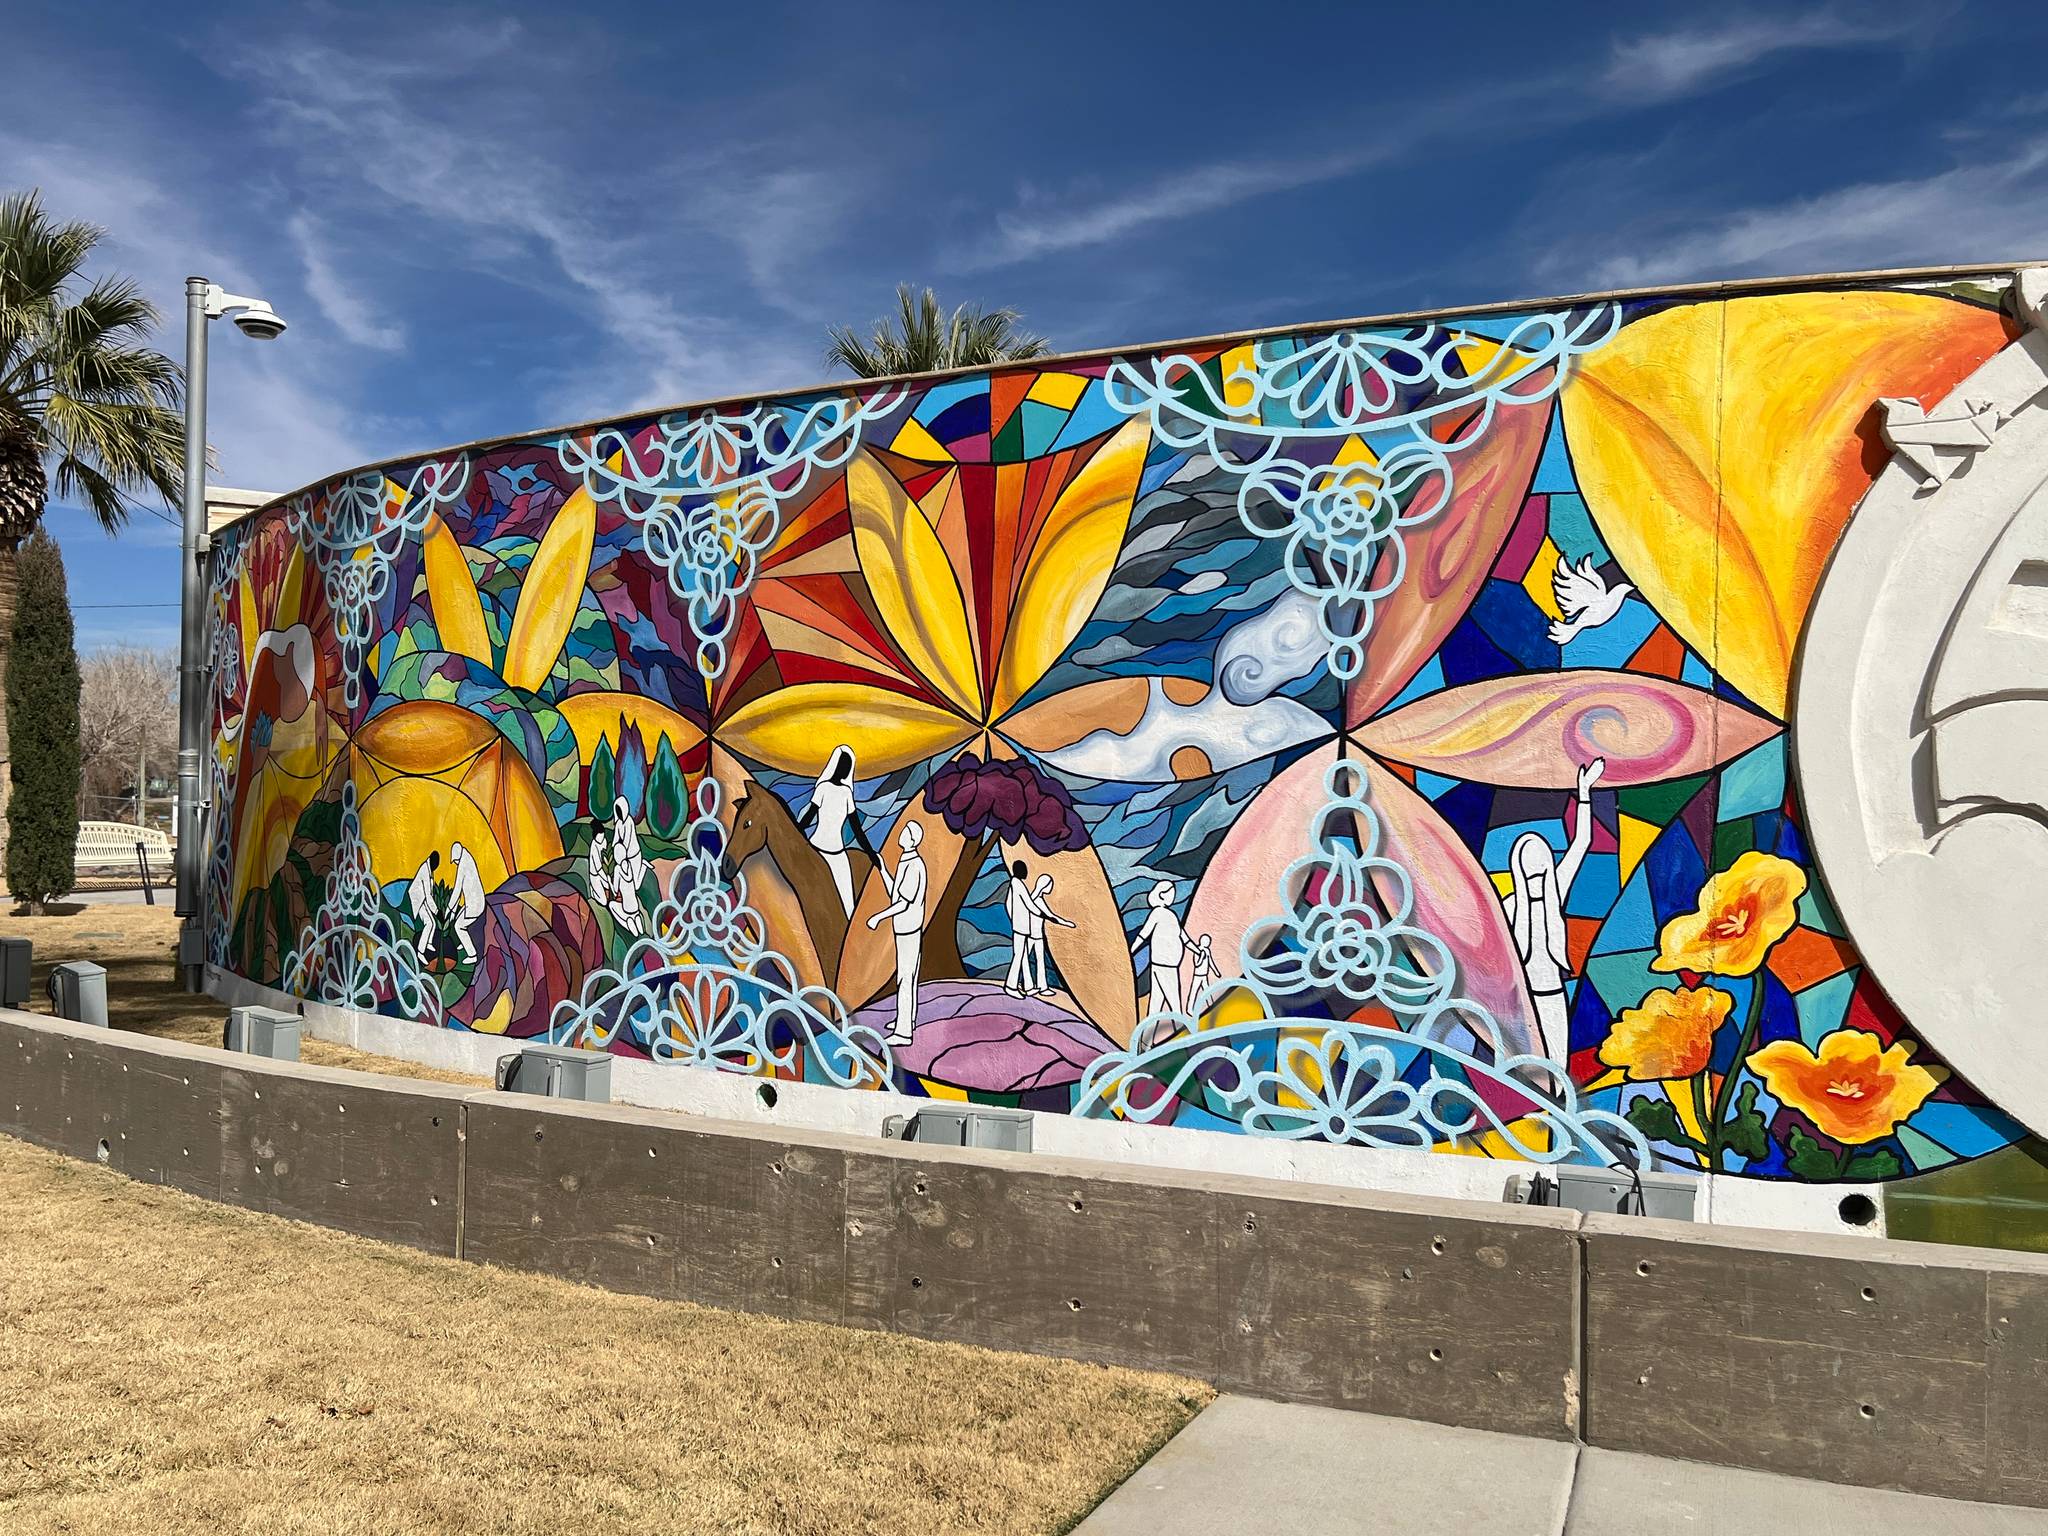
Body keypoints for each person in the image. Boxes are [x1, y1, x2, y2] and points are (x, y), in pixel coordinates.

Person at [1503, 756, 1604, 1067]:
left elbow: (1582, 842)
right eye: (1529, 873)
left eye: (1541, 872)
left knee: (1559, 1064)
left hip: (1552, 995)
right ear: (1518, 872)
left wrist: (1584, 792)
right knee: (1526, 1070)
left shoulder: (1555, 892)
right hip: (1521, 1003)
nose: (1536, 880)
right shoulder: (1508, 907)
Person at [865, 820, 927, 1045]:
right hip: (905, 927)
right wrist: (883, 870)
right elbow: (896, 894)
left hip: (908, 928)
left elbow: (902, 903)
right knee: (908, 975)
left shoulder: (914, 866)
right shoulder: (906, 861)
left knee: (905, 977)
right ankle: (907, 1019)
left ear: (912, 840)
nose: (901, 833)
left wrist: (878, 917)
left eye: (906, 832)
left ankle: (903, 1032)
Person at [798, 745, 877, 917]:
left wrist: (871, 853)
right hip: (819, 850)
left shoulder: (845, 793)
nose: (846, 770)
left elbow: (856, 828)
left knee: (848, 902)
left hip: (834, 852)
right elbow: (809, 817)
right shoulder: (824, 788)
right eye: (845, 766)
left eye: (848, 767)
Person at [1131, 879, 1187, 1042]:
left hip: (1165, 965)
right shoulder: (1158, 913)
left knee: (1155, 1007)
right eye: (1171, 893)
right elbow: (1144, 933)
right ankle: (1183, 1039)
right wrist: (1132, 950)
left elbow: (1182, 935)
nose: (1173, 896)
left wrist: (1196, 950)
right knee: (1175, 1005)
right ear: (1163, 895)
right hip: (1165, 966)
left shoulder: (1171, 915)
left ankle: (1145, 1043)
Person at [1027, 873, 1074, 996]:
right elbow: (1051, 916)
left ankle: (1037, 986)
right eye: (1050, 885)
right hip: (1033, 935)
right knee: (1035, 960)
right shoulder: (1037, 901)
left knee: (1030, 959)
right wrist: (1067, 923)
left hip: (1035, 935)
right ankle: (1037, 986)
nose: (1051, 888)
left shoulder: (1033, 899)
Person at [447, 840, 487, 962]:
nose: (456, 863)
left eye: (455, 861)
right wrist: (452, 912)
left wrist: (449, 908)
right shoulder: (466, 857)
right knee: (458, 918)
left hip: (475, 905)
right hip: (473, 902)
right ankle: (464, 943)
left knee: (459, 926)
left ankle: (472, 954)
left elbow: (457, 890)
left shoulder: (464, 865)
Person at [1003, 860, 1037, 998]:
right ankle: (1011, 986)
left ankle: (1028, 986)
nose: (1026, 872)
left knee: (1022, 955)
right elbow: (1029, 904)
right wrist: (1042, 913)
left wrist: (1013, 919)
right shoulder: (1018, 884)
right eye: (1025, 869)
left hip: (1019, 926)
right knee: (1018, 956)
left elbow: (1007, 904)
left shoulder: (1014, 884)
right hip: (1021, 927)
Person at [406, 850, 442, 960]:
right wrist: (437, 912)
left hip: (423, 899)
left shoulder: (429, 869)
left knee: (433, 923)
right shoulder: (425, 871)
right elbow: (427, 895)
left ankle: (428, 943)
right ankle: (420, 952)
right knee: (429, 924)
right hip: (418, 899)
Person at [1189, 932, 1218, 1001]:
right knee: (1194, 992)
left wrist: (1215, 971)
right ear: (1202, 941)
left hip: (1204, 976)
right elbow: (1196, 964)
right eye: (1207, 941)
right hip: (1197, 976)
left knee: (1207, 991)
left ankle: (1211, 1004)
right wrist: (1201, 957)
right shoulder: (1197, 950)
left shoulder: (1207, 950)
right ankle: (1189, 1008)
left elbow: (1210, 961)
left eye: (1209, 941)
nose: (1208, 943)